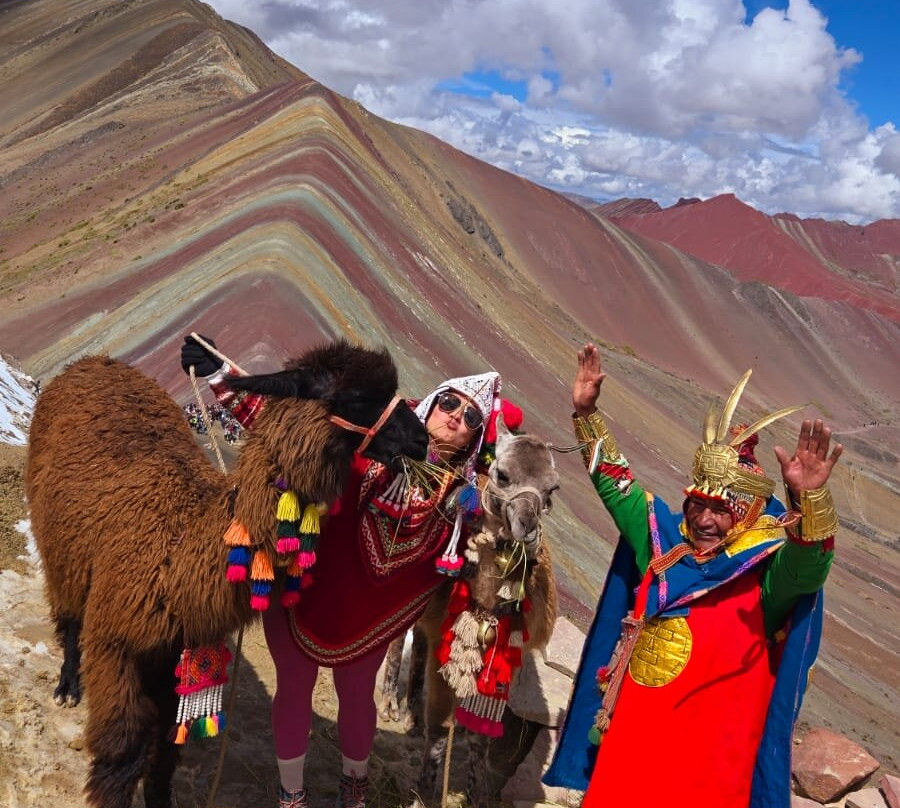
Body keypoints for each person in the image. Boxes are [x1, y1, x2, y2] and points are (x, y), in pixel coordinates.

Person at [180, 335, 522, 808]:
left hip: (377, 615)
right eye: (449, 402)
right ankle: (291, 794)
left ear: (474, 439)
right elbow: (290, 431)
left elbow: (509, 530)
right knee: (294, 688)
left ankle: (354, 788)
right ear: (430, 405)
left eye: (470, 419)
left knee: (356, 695)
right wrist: (220, 374)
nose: (455, 418)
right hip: (308, 589)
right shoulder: (366, 444)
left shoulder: (464, 508)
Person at [543, 344, 842, 808]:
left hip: (709, 766)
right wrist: (587, 415)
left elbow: (808, 568)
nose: (704, 518)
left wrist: (812, 502)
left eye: (721, 510)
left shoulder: (766, 572)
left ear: (744, 516)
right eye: (697, 503)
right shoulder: (663, 545)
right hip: (631, 745)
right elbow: (618, 487)